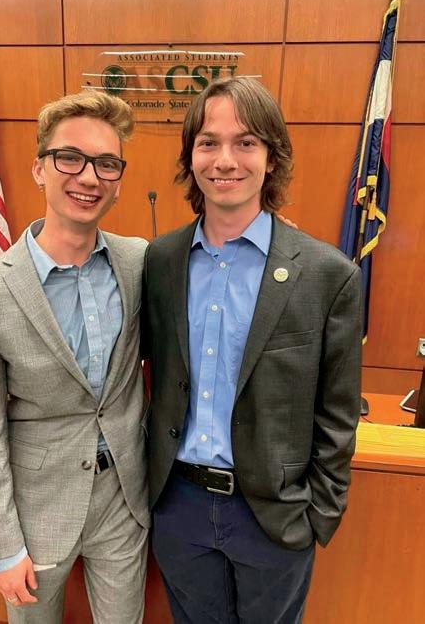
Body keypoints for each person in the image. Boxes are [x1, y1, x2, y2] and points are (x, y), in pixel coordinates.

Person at [142, 77, 362, 623]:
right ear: (190, 156)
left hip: (274, 517)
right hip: (179, 508)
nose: (225, 160)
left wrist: (318, 513)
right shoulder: (159, 261)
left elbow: (337, 413)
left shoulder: (326, 274)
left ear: (272, 156)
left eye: (245, 142)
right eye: (208, 142)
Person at [0, 90, 149, 624]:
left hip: (124, 501)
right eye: (70, 158)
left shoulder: (139, 262)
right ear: (39, 169)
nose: (89, 177)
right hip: (36, 512)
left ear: (118, 180)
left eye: (106, 164)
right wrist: (1, 548)